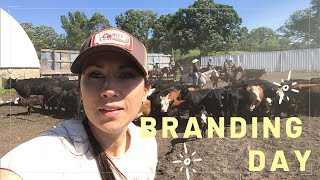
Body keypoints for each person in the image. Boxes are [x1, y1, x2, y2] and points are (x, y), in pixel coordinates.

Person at [0, 28, 157, 180]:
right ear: (79, 89)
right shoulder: (51, 152)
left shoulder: (147, 142)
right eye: (96, 74)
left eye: (126, 75)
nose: (109, 90)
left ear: (145, 92)